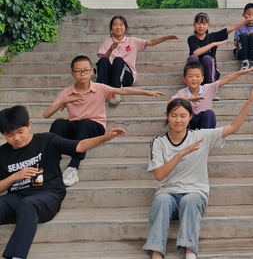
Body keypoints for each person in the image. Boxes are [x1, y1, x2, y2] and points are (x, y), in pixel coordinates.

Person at [143, 83, 253, 259]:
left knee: (190, 200)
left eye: (183, 116)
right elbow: (159, 175)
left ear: (190, 117)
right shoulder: (158, 142)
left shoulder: (201, 136)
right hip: (168, 192)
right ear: (167, 117)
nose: (178, 120)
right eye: (173, 115)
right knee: (162, 200)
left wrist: (249, 101)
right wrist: (180, 154)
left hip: (195, 192)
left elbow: (233, 127)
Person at [0, 105, 126, 259]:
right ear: (3, 135)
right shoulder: (3, 153)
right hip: (17, 197)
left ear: (29, 124)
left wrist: (104, 138)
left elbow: (79, 146)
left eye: (20, 132)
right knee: (18, 204)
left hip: (48, 195)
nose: (17, 138)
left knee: (28, 204)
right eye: (10, 135)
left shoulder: (47, 140)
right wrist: (15, 177)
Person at [44, 55, 165, 187]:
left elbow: (122, 90)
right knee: (58, 123)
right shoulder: (66, 92)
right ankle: (51, 165)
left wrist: (147, 93)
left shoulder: (99, 88)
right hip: (76, 127)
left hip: (94, 127)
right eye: (78, 71)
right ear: (72, 73)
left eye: (85, 70)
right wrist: (63, 101)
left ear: (91, 71)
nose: (82, 74)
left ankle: (73, 167)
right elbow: (47, 114)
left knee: (84, 123)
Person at [96, 15, 178, 103]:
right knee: (103, 60)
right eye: (115, 25)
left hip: (126, 76)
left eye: (121, 25)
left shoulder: (132, 41)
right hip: (111, 76)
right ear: (111, 28)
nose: (118, 27)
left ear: (126, 28)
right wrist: (110, 49)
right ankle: (100, 92)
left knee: (118, 60)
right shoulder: (107, 41)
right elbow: (103, 61)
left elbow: (149, 42)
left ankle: (116, 94)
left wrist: (166, 37)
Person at [170, 61, 253, 129]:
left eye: (197, 76)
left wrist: (239, 73)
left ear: (202, 78)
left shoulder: (208, 88)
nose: (194, 79)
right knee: (184, 116)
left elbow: (224, 80)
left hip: (205, 122)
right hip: (189, 123)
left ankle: (207, 140)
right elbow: (170, 102)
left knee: (209, 113)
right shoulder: (182, 92)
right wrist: (188, 99)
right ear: (185, 79)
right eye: (190, 76)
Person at [186, 11, 253, 85]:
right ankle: (193, 86)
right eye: (198, 23)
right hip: (196, 75)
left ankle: (212, 88)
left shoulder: (213, 36)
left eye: (204, 24)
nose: (201, 26)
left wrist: (246, 21)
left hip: (211, 72)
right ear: (194, 24)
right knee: (192, 58)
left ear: (208, 25)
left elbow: (231, 28)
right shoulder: (191, 39)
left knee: (207, 58)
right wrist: (213, 44)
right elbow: (196, 53)